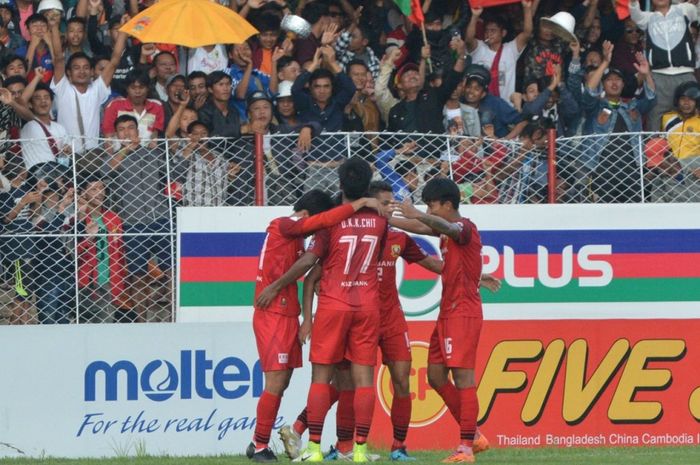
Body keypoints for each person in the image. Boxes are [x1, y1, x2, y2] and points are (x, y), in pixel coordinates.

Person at [256, 157, 388, 462]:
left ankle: (313, 450)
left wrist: (281, 291)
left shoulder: (330, 222)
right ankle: (358, 451)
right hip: (367, 305)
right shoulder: (381, 221)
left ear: (339, 185)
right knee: (361, 380)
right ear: (367, 187)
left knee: (321, 377)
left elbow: (310, 264)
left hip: (333, 304)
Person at [391, 178, 487, 463]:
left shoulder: (464, 228)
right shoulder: (446, 231)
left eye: (432, 204)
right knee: (435, 376)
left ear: (447, 204)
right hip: (448, 312)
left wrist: (418, 213)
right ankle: (475, 435)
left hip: (463, 313)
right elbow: (423, 226)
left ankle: (466, 447)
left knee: (464, 377)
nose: (428, 209)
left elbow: (442, 226)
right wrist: (388, 217)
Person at [101, 114, 170, 322]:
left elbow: (171, 172)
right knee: (137, 276)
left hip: (160, 218)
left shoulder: (153, 155)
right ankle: (140, 323)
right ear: (116, 135)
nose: (127, 132)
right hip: (132, 222)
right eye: (122, 129)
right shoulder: (112, 157)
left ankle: (174, 318)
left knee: (172, 271)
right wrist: (124, 151)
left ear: (138, 132)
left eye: (131, 128)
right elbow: (105, 171)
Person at [582, 41, 656, 203]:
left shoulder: (633, 106)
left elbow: (651, 99)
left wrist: (646, 73)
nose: (614, 83)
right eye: (609, 80)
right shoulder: (595, 107)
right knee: (602, 221)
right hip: (601, 172)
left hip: (633, 173)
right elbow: (588, 92)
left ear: (623, 84)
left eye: (618, 80)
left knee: (634, 220)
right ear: (603, 84)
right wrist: (605, 62)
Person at [50, 15, 125, 153]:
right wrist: (54, 27)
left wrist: (123, 31)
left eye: (86, 68)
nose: (82, 71)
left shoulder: (97, 89)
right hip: (67, 154)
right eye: (76, 68)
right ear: (68, 73)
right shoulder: (63, 88)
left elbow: (114, 61)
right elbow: (59, 59)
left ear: (92, 72)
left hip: (92, 158)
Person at [630, 0, 697, 131]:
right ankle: (655, 149)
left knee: (694, 114)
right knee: (656, 114)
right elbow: (635, 15)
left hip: (686, 74)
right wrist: (633, 2)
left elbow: (697, 13)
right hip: (659, 76)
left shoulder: (685, 9)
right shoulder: (648, 18)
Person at [76, 177, 132, 323]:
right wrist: (88, 239)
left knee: (106, 325)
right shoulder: (79, 218)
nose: (99, 192)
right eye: (94, 189)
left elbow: (120, 251)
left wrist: (121, 277)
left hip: (109, 280)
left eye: (102, 188)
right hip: (85, 281)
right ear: (83, 193)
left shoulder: (113, 218)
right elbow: (69, 251)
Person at [465, 0, 533, 103]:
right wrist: (475, 16)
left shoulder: (510, 49)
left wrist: (527, 8)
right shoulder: (479, 48)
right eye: (487, 31)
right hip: (479, 105)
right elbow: (469, 39)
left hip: (504, 107)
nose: (489, 34)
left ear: (503, 33)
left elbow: (527, 33)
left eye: (493, 31)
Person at [660, 81, 700, 201]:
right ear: (677, 100)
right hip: (671, 168)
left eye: (691, 99)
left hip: (695, 170)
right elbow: (661, 142)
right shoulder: (667, 118)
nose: (686, 103)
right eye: (683, 99)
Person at [20, 81, 70, 171]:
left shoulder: (60, 128)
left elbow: (67, 152)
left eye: (46, 97)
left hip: (58, 175)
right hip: (36, 177)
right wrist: (38, 77)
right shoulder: (28, 126)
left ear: (51, 102)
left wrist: (67, 149)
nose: (43, 101)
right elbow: (22, 101)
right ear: (30, 104)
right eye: (37, 98)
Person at [101, 69, 164, 140]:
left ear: (148, 88)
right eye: (133, 88)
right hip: (120, 150)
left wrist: (152, 147)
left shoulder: (157, 106)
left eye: (141, 87)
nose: (137, 91)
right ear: (127, 88)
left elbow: (155, 135)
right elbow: (108, 135)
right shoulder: (115, 105)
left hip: (147, 150)